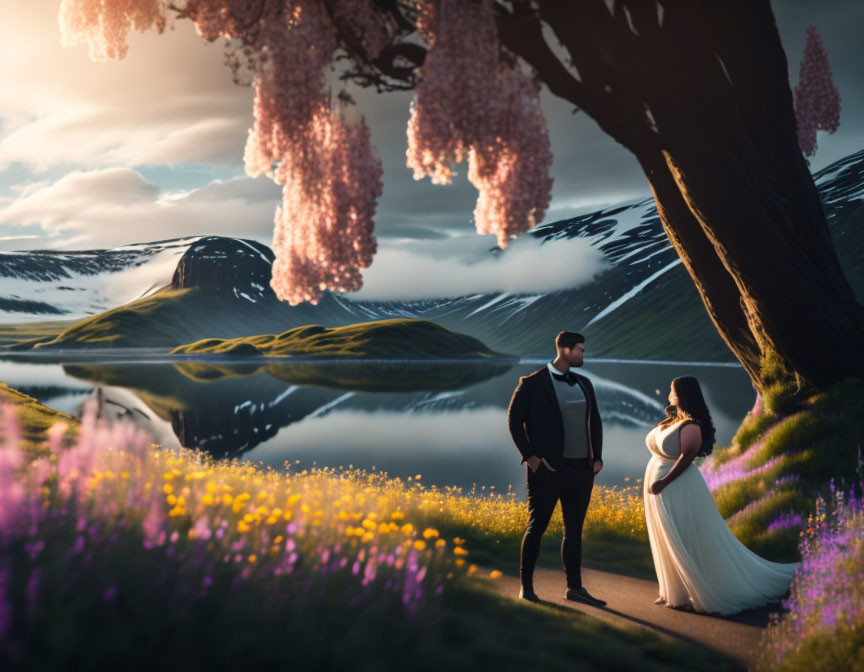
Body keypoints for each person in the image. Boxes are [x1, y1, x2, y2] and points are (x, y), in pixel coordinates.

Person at [644, 376, 798, 615]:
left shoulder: (691, 425)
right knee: (667, 536)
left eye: (672, 390)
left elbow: (687, 457)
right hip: (662, 487)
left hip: (677, 487)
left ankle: (696, 589)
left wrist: (663, 482)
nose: (669, 393)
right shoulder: (673, 421)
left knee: (684, 535)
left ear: (682, 394)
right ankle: (674, 591)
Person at [507, 331, 605, 606]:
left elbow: (595, 421)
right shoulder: (531, 384)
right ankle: (526, 587)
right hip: (548, 471)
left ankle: (575, 588)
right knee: (537, 527)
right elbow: (515, 422)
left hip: (583, 471)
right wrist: (532, 459)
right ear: (564, 350)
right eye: (580, 350)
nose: (583, 354)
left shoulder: (584, 383)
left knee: (574, 532)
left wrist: (597, 458)